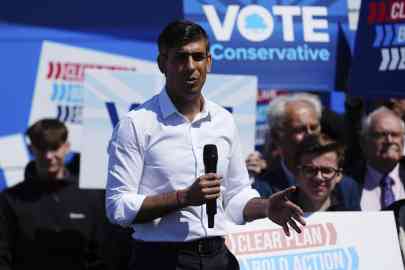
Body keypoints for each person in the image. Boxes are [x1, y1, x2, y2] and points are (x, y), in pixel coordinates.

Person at [105, 20, 306, 270]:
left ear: (208, 62)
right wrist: (184, 197)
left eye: (198, 57)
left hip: (218, 256)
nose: (190, 67)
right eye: (181, 58)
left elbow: (235, 195)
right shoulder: (136, 124)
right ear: (162, 64)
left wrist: (265, 207)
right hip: (160, 258)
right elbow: (118, 207)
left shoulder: (224, 120)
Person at [0, 119, 113, 270]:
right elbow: (3, 254)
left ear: (66, 147)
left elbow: (103, 254)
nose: (48, 155)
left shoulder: (92, 196)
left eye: (54, 147)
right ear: (30, 148)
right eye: (41, 148)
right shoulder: (10, 199)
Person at [253, 93, 322, 197]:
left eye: (314, 127)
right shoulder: (260, 187)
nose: (310, 135)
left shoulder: (341, 186)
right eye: (300, 130)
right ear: (276, 136)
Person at [353, 107, 405, 210]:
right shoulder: (348, 182)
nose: (389, 140)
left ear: (403, 142)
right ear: (363, 142)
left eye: (395, 135)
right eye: (381, 135)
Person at [292, 134, 361, 211]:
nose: (318, 177)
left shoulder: (349, 211)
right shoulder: (280, 209)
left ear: (338, 175)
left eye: (326, 171)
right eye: (310, 170)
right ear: (297, 173)